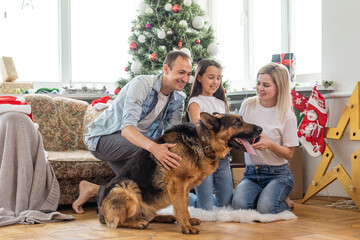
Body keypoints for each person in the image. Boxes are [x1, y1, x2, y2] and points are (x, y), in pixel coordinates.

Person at [72, 51, 192, 214]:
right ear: (166, 69)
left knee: (136, 188)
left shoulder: (178, 98)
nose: (185, 79)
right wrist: (155, 148)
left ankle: (92, 189)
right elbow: (127, 129)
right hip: (104, 139)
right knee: (150, 151)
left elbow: (172, 136)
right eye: (181, 72)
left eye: (188, 74)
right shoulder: (142, 84)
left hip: (135, 144)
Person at [232, 62, 298, 214]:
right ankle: (269, 196)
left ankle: (282, 200)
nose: (260, 89)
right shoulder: (247, 106)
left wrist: (270, 144)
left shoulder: (287, 115)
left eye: (266, 85)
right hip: (251, 173)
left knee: (266, 208)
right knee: (239, 206)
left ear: (278, 87)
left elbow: (289, 154)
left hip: (278, 174)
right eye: (258, 83)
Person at [185, 59, 233, 210]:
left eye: (218, 78)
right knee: (205, 208)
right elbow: (197, 123)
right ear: (199, 77)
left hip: (222, 158)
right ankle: (184, 196)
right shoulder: (195, 101)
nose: (215, 81)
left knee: (226, 205)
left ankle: (207, 199)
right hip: (204, 158)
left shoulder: (221, 103)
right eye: (211, 77)